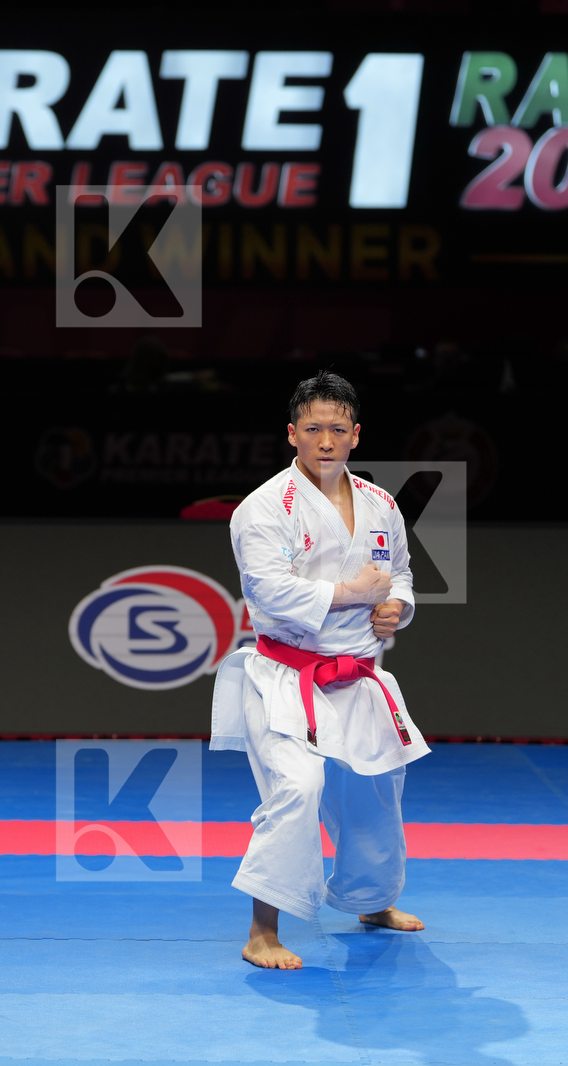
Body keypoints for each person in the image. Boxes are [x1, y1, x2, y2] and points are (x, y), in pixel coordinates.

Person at [211, 370, 431, 970]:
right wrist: (350, 593)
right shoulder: (264, 507)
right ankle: (262, 931)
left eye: (338, 429)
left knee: (376, 790)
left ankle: (370, 901)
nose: (326, 441)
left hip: (358, 675)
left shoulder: (382, 504)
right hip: (286, 677)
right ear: (292, 434)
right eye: (313, 429)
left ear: (356, 434)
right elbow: (268, 591)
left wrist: (396, 607)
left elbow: (401, 574)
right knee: (297, 789)